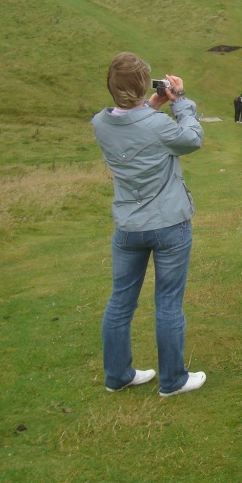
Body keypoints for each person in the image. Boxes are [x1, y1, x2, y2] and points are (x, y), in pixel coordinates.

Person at [91, 52, 206, 397]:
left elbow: (132, 129)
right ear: (145, 84)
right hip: (169, 223)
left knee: (120, 301)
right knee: (168, 302)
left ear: (112, 87)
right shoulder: (158, 126)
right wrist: (180, 101)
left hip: (128, 225)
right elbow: (192, 138)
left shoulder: (100, 123)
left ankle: (117, 375)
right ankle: (173, 380)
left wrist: (150, 106)